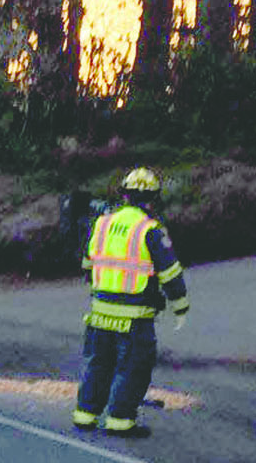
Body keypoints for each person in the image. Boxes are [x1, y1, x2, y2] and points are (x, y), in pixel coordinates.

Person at [74, 167, 189, 439]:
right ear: (152, 199)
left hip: (99, 313)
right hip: (134, 317)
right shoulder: (150, 230)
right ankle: (120, 420)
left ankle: (85, 414)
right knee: (132, 368)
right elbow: (170, 272)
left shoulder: (101, 224)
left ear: (124, 195)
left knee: (98, 364)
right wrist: (180, 305)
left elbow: (87, 265)